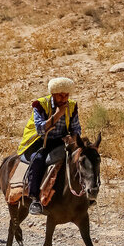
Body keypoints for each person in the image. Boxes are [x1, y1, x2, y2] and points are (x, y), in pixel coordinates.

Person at [17, 77, 81, 215]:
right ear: (53, 94)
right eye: (60, 95)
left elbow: (76, 128)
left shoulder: (72, 106)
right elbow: (40, 129)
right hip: (40, 141)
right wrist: (58, 114)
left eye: (66, 95)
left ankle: (81, 193)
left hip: (61, 141)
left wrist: (73, 137)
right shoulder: (40, 105)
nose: (64, 99)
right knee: (38, 160)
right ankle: (34, 199)